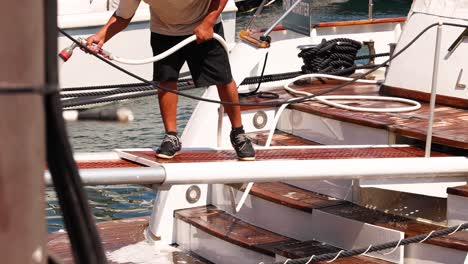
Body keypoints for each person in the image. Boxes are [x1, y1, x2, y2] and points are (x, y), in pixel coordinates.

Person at [86, 0, 255, 160]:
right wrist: (101, 36)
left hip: (203, 24)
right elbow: (123, 16)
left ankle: (238, 133)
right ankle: (171, 137)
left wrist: (209, 21)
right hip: (164, 31)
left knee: (222, 79)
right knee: (166, 80)